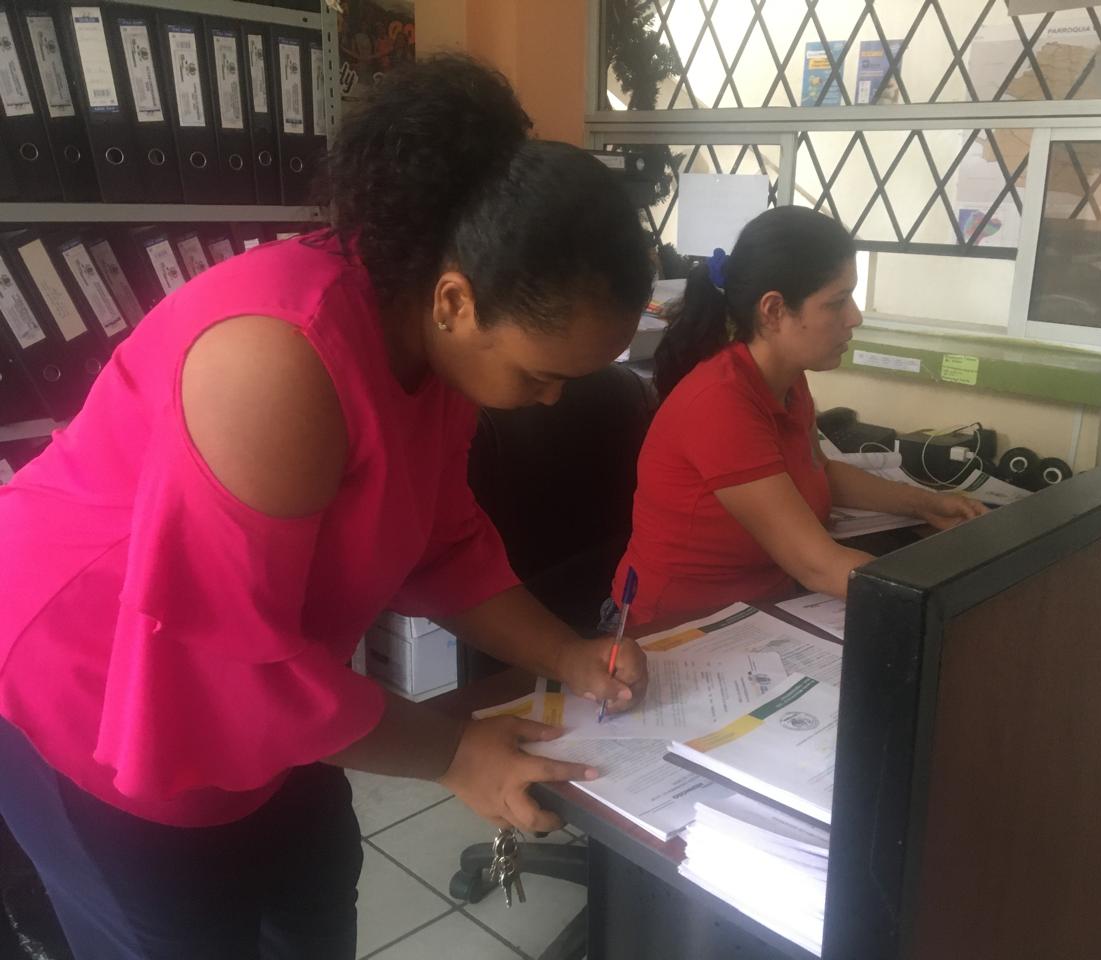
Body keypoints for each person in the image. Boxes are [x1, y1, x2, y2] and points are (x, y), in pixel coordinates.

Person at [0, 55, 652, 960]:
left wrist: (567, 653)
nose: (551, 400)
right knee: (182, 928)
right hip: (91, 677)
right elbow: (223, 667)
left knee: (311, 888)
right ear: (457, 300)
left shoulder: (433, 340)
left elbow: (440, 543)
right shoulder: (278, 363)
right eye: (541, 373)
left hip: (268, 676)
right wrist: (456, 752)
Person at [612, 206, 987, 628]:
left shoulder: (788, 381)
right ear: (774, 310)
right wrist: (955, 598)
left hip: (762, 615)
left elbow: (820, 472)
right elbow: (817, 566)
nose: (855, 317)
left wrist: (927, 503)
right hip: (670, 634)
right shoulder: (720, 404)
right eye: (837, 302)